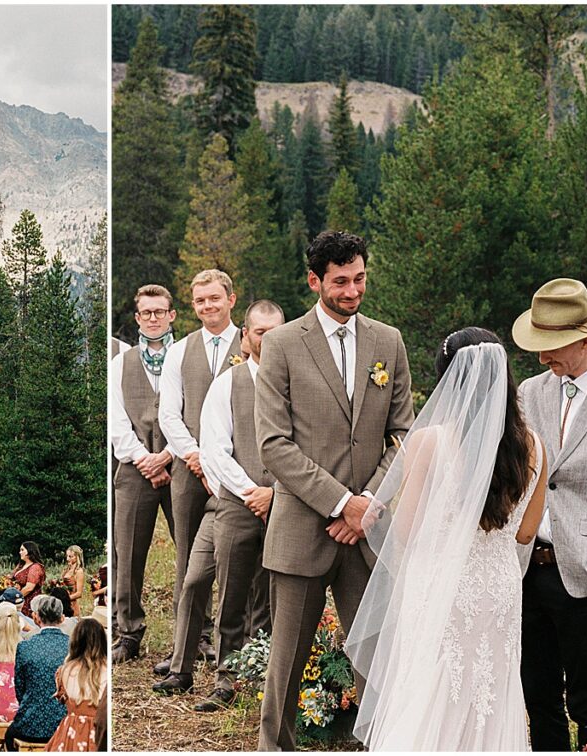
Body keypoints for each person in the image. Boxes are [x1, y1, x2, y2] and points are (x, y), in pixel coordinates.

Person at [346, 328, 547, 750]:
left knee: (435, 685)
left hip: (443, 584)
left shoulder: (430, 441)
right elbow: (527, 532)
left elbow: (406, 529)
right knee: (492, 690)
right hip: (501, 588)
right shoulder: (533, 447)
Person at [255, 231, 415, 751]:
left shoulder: (387, 340)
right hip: (304, 528)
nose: (353, 291)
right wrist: (342, 503)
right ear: (314, 281)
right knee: (287, 663)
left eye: (360, 279)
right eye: (341, 281)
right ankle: (274, 746)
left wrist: (368, 503)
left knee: (373, 654)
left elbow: (404, 434)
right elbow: (274, 446)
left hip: (367, 534)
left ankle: (381, 745)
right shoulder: (281, 344)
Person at [153, 300, 283, 711]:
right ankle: (224, 679)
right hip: (236, 503)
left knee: (266, 596)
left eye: (276, 331)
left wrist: (276, 492)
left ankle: (259, 673)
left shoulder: (297, 382)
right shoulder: (228, 384)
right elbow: (214, 450)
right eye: (261, 332)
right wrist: (252, 493)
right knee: (228, 592)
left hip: (284, 503)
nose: (269, 339)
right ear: (246, 337)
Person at [511, 278, 587, 751]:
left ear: (585, 337)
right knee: (537, 697)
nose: (541, 358)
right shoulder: (530, 392)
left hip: (586, 574)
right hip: (525, 570)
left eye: (551, 347)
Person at [157, 269, 243, 672]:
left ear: (231, 299)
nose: (208, 306)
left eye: (214, 298)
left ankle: (239, 643)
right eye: (200, 301)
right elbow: (169, 414)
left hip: (240, 467)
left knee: (240, 555)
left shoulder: (254, 343)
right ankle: (188, 647)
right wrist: (194, 456)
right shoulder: (180, 351)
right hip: (190, 471)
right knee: (189, 557)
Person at [111, 284, 178, 663]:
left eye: (160, 311)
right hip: (135, 468)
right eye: (146, 312)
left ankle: (196, 632)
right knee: (128, 552)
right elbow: (117, 423)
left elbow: (193, 414)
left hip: (180, 463)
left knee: (189, 550)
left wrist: (167, 455)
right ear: (138, 318)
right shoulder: (121, 363)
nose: (153, 318)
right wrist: (144, 460)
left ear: (171, 315)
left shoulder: (184, 357)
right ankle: (129, 631)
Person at [4, 594, 70, 750]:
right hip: (63, 724)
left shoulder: (25, 647)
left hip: (30, 724)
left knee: (9, 736)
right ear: (62, 618)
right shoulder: (73, 645)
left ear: (37, 617)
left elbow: (19, 687)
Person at [46, 618, 108, 752]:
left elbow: (63, 700)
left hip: (70, 733)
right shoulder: (107, 671)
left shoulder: (64, 671)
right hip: (98, 734)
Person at [10, 542, 46, 620]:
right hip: (19, 600)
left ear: (29, 551)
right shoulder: (21, 565)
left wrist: (14, 599)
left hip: (28, 602)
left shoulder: (35, 567)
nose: (20, 552)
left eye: (22, 550)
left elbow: (29, 587)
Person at [61, 545, 86, 618]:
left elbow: (79, 593)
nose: (68, 559)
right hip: (63, 605)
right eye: (67, 556)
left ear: (77, 556)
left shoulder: (79, 572)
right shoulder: (66, 569)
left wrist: (65, 598)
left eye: (70, 556)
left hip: (72, 605)